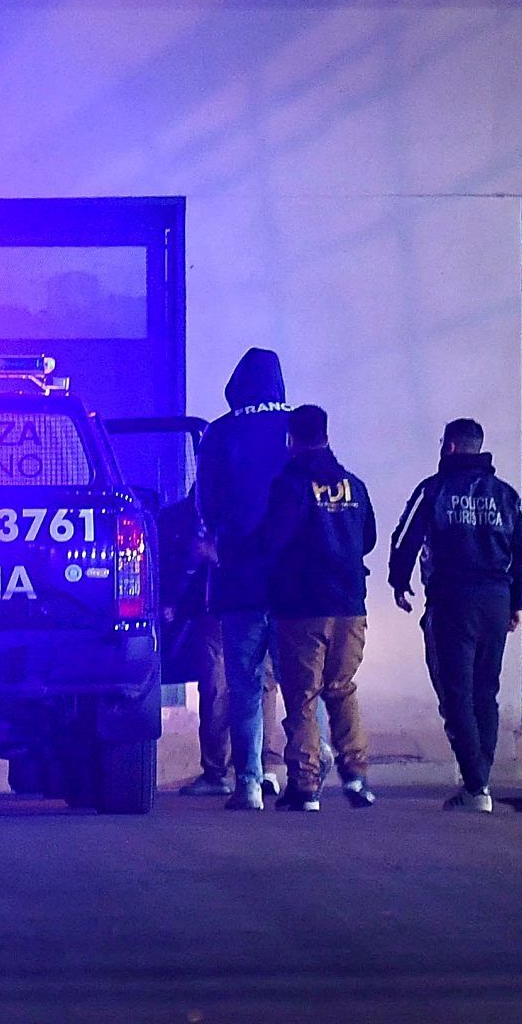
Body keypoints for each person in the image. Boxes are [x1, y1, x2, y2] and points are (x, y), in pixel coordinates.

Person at [389, 417, 522, 813]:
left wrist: (398, 581)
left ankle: (475, 785)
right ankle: (479, 780)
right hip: (495, 601)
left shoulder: (434, 489)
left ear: (449, 447)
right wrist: (517, 602)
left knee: (455, 694)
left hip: (452, 600)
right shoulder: (506, 495)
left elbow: (405, 538)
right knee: (486, 691)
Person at [259, 405, 377, 812]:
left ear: (291, 439)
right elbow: (370, 539)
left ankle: (306, 787)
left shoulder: (290, 484)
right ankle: (357, 777)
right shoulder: (354, 485)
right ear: (326, 435)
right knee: (341, 688)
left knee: (303, 696)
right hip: (350, 605)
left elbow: (272, 540)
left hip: (302, 607)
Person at [197, 348, 292, 811]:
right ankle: (307, 773)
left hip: (239, 580)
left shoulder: (222, 432)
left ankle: (249, 783)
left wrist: (219, 543)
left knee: (244, 683)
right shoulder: (300, 428)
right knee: (299, 681)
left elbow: (207, 505)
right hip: (296, 583)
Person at [162, 492, 291, 797]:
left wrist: (177, 601)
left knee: (219, 685)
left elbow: (190, 562)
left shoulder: (198, 512)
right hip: (264, 605)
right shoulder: (269, 499)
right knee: (261, 686)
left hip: (220, 609)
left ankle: (221, 772)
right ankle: (261, 768)